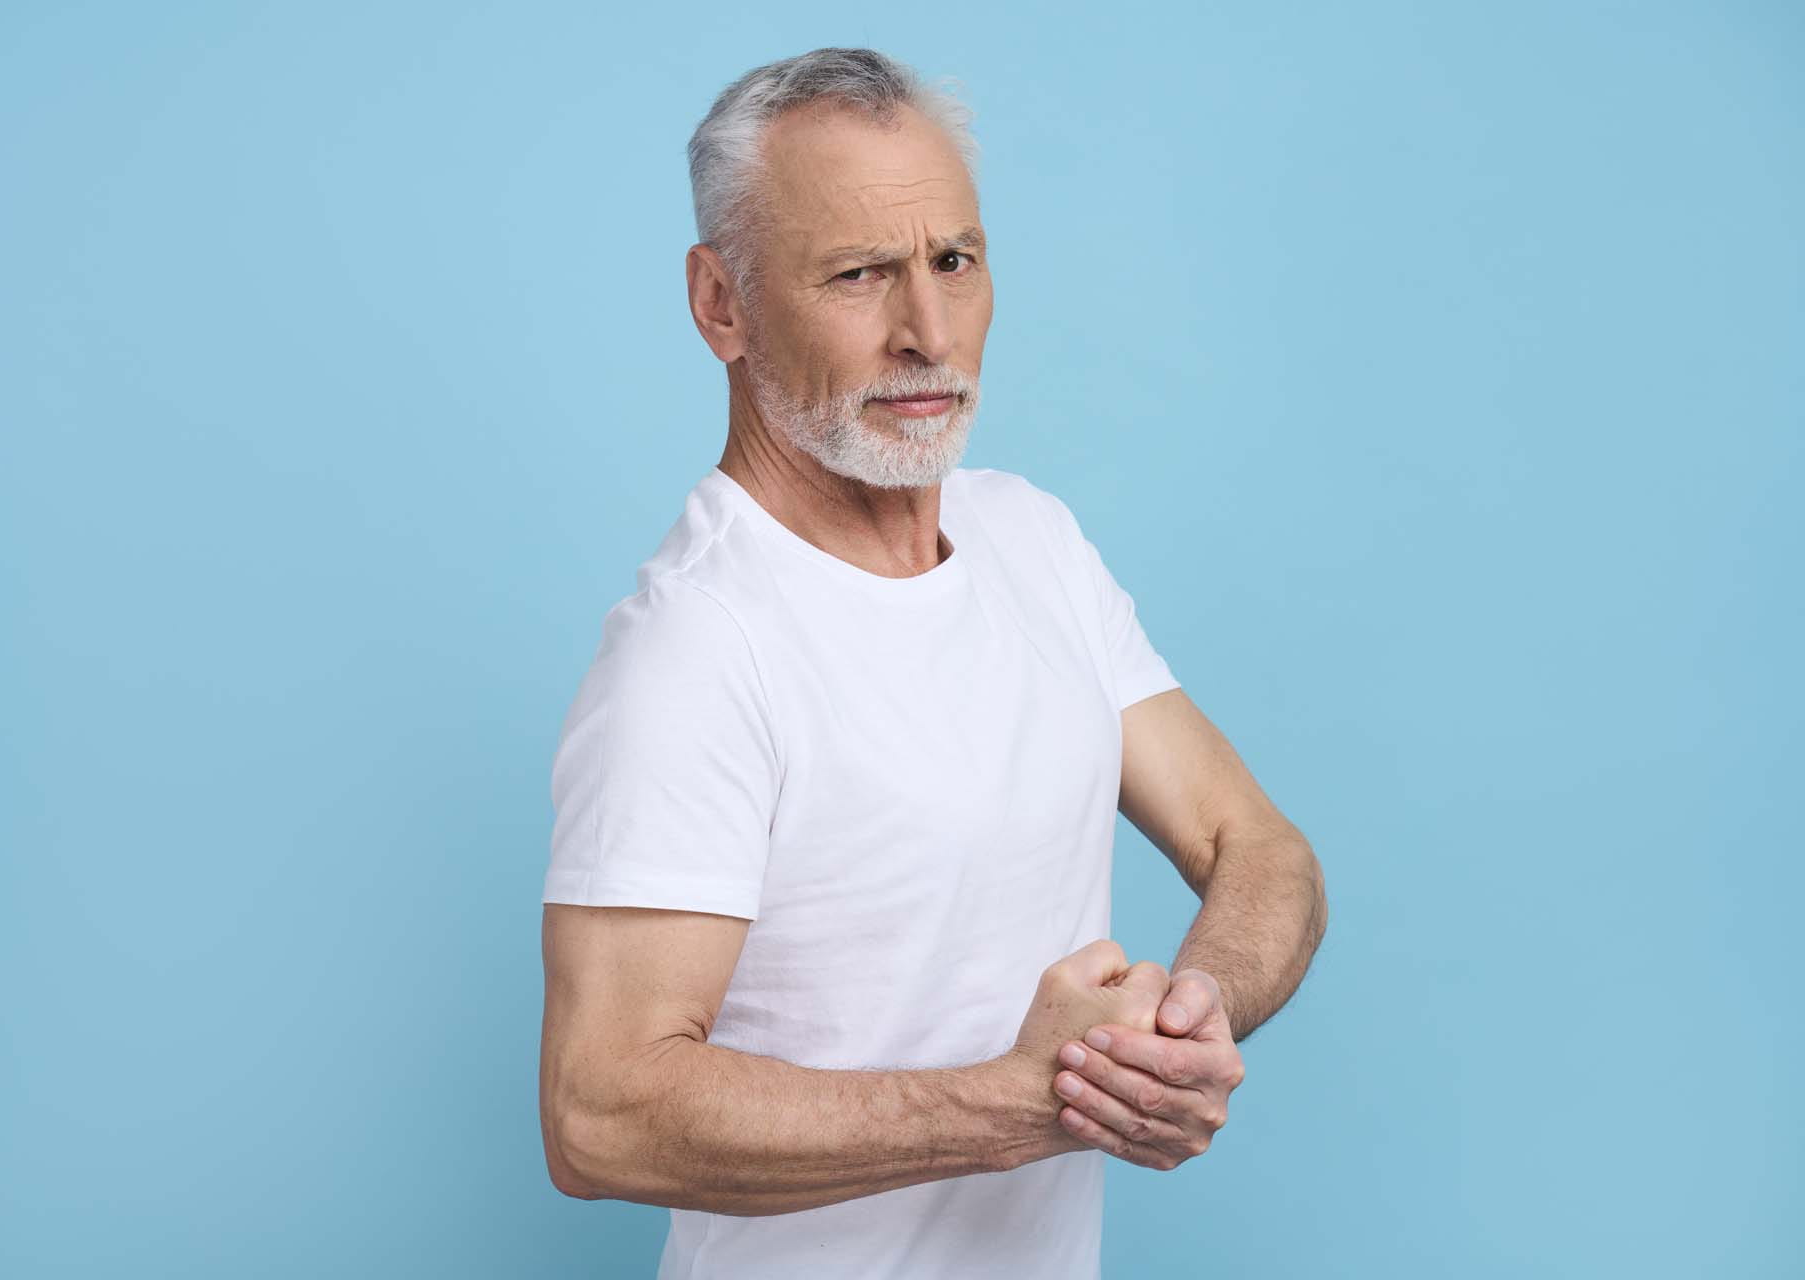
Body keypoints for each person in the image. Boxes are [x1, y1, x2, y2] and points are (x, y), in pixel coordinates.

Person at [539, 46, 1327, 1279]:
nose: (928, 331)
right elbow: (599, 1112)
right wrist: (1031, 1100)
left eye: (952, 261)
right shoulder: (697, 648)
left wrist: (1185, 1021)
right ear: (722, 305)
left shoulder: (1033, 539)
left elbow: (1258, 848)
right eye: (858, 274)